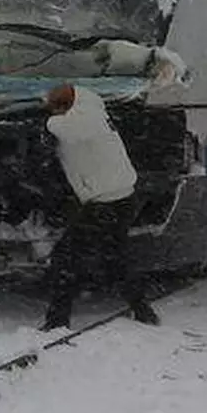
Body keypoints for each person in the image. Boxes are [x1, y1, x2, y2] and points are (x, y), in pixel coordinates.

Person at [41, 84, 159, 330]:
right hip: (118, 199)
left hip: (106, 203)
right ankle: (142, 309)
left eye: (54, 108)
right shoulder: (92, 111)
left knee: (65, 257)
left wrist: (47, 123)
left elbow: (67, 131)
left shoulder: (85, 119)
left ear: (66, 106)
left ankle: (57, 322)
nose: (53, 113)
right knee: (115, 257)